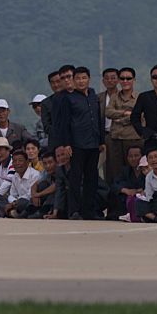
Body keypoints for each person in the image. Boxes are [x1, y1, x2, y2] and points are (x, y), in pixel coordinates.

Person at [52, 66, 103, 220]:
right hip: (77, 144)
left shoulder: (94, 96)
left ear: (89, 79)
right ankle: (74, 211)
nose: (81, 81)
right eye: (78, 79)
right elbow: (65, 123)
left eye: (84, 78)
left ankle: (89, 211)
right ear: (74, 81)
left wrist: (101, 141)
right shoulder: (68, 98)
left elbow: (98, 119)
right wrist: (66, 144)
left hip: (94, 144)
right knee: (75, 178)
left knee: (91, 178)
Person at [104, 67, 141, 182]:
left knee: (136, 171)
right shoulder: (115, 96)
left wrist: (120, 119)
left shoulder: (140, 97)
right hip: (115, 140)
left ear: (134, 80)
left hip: (133, 139)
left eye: (128, 78)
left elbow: (139, 116)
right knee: (116, 173)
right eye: (122, 78)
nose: (125, 81)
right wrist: (125, 112)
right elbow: (108, 112)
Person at [0, 149, 41, 218]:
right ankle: (11, 213)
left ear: (27, 162)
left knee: (23, 202)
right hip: (16, 203)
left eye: (20, 160)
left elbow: (30, 195)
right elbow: (12, 194)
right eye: (14, 161)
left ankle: (8, 213)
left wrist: (14, 203)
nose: (17, 163)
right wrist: (14, 202)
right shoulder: (15, 176)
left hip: (27, 203)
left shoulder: (35, 175)